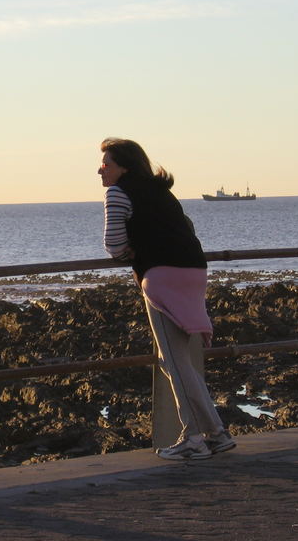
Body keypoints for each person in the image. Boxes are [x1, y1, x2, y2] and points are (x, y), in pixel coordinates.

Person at [98, 137, 235, 460]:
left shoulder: (117, 193)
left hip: (162, 278)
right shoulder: (161, 191)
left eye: (106, 164)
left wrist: (131, 251)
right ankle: (217, 433)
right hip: (193, 274)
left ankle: (193, 439)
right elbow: (185, 228)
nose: (100, 170)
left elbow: (114, 246)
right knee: (180, 360)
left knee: (172, 360)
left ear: (124, 167)